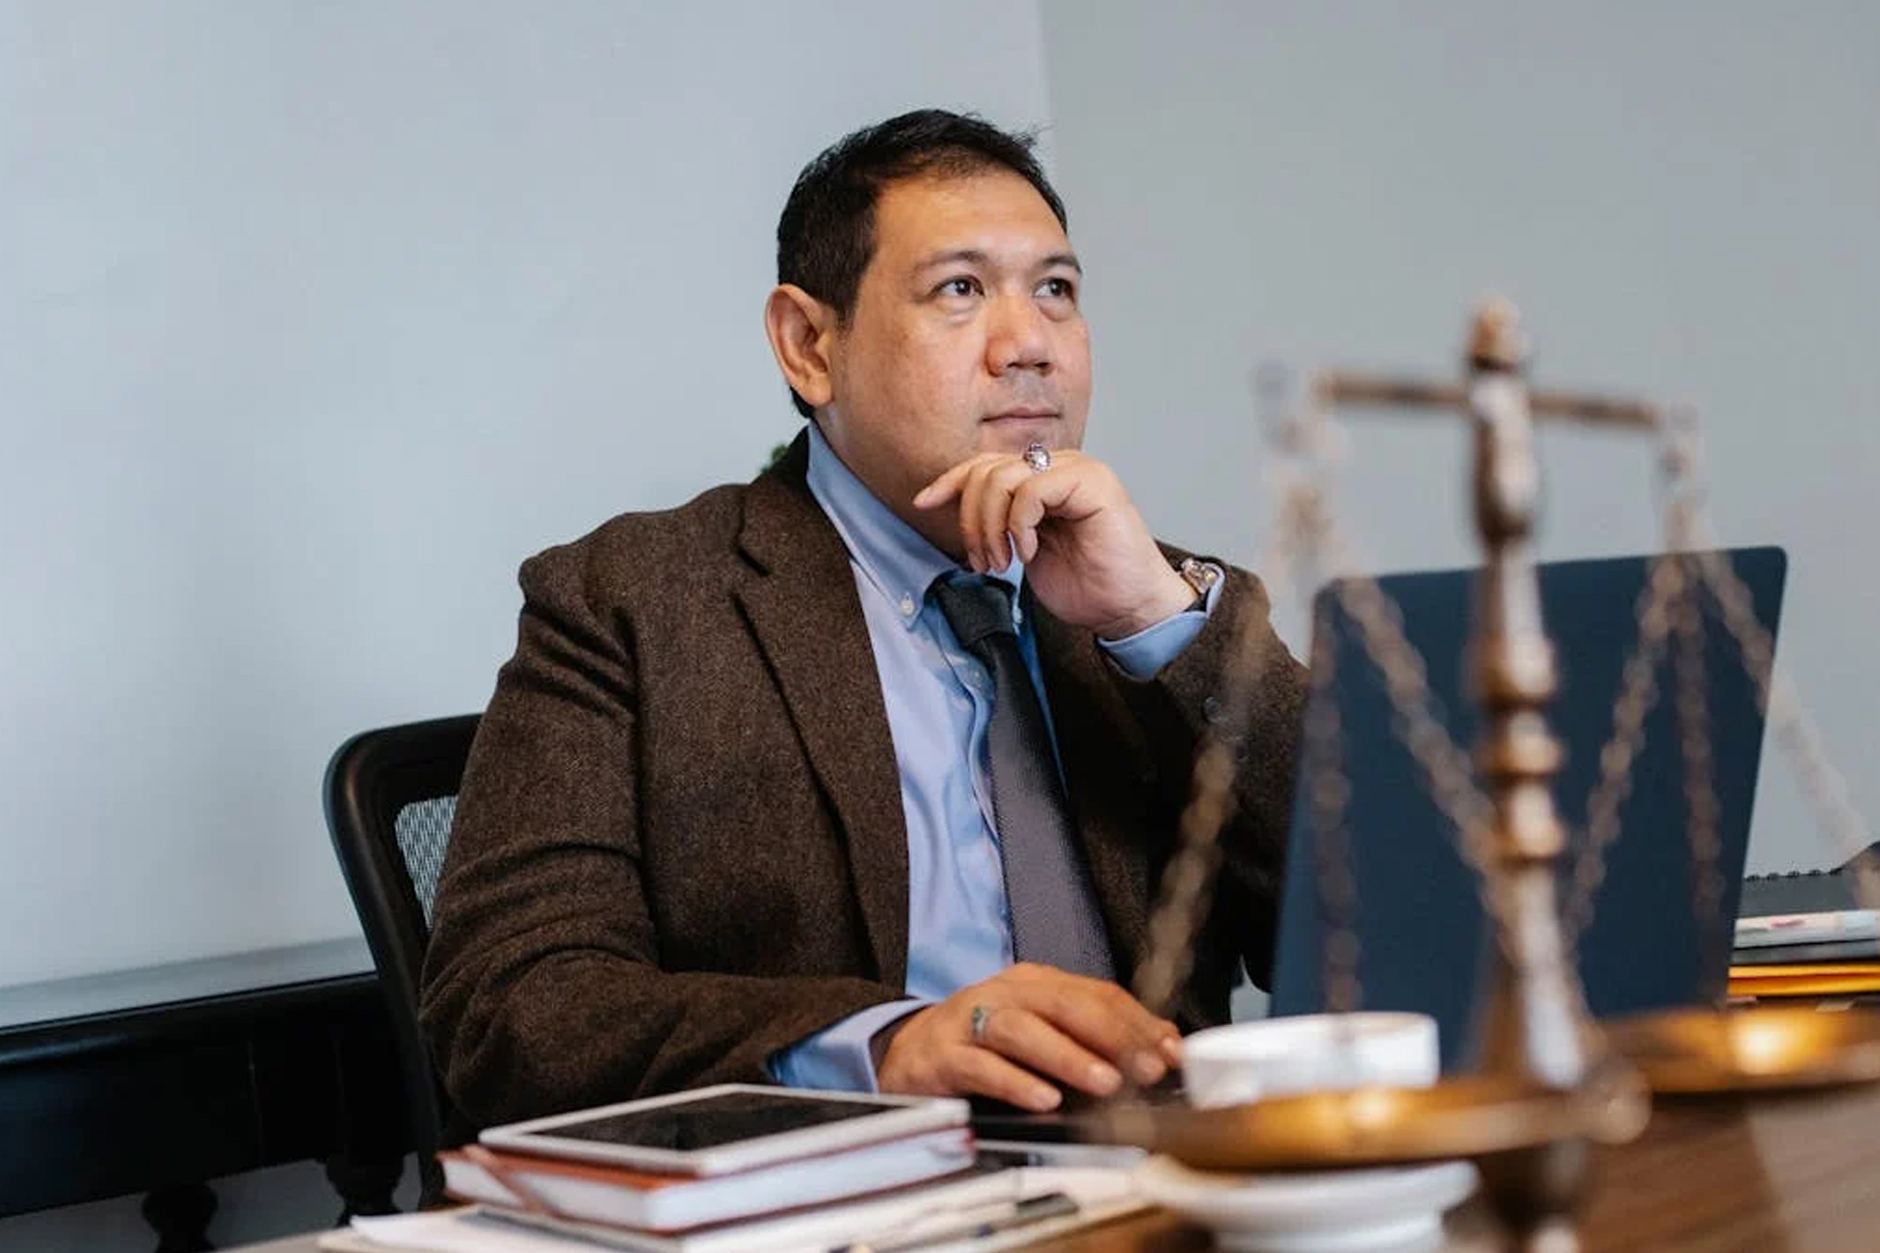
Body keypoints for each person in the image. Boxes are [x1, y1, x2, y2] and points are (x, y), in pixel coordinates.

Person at [419, 109, 1305, 1133]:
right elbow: (511, 1005)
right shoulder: (633, 603)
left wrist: (1159, 624)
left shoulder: (1161, 601)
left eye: (1055, 290)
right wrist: (880, 1046)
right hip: (850, 1186)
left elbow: (1394, 911)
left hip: (1167, 1175)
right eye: (959, 289)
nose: (1029, 345)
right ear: (809, 346)